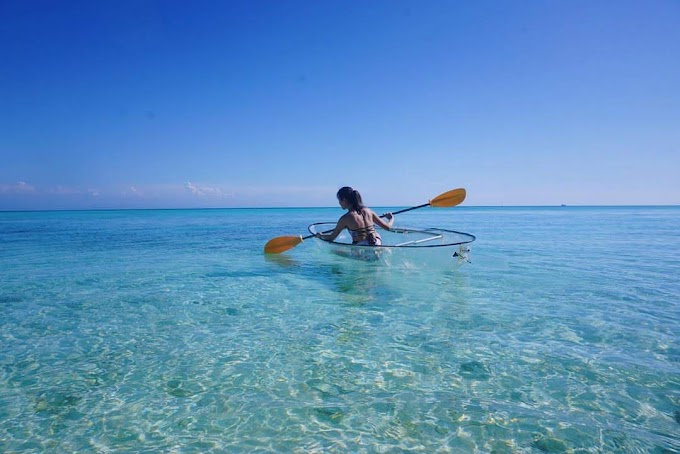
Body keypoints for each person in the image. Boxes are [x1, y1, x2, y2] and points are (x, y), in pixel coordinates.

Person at [316, 187, 394, 245]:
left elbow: (332, 237)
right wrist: (391, 218)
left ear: (345, 200)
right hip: (377, 243)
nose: (339, 203)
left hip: (361, 248)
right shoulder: (369, 211)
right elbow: (387, 227)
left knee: (336, 252)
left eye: (339, 200)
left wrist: (320, 236)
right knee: (375, 235)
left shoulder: (345, 218)